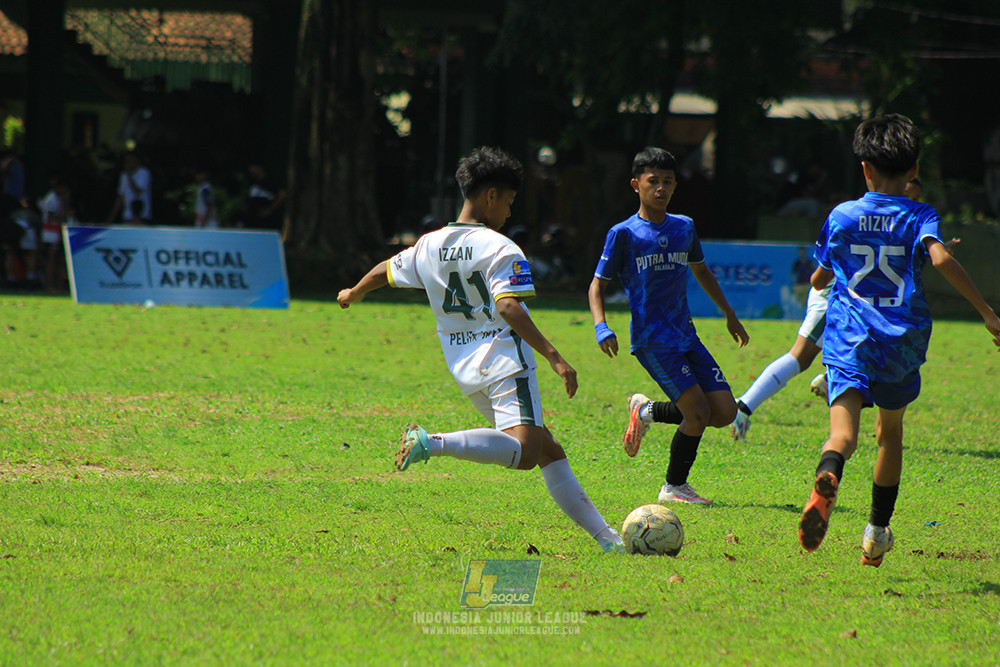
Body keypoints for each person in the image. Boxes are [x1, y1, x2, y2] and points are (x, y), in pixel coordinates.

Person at [337, 146, 625, 553]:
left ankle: (607, 539)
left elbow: (386, 270)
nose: (509, 213)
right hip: (505, 360)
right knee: (525, 454)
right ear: (490, 196)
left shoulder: (429, 244)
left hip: (465, 368)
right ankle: (431, 441)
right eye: (508, 202)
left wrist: (354, 292)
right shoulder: (501, 248)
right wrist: (555, 357)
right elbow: (508, 305)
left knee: (547, 450)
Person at [797, 114, 1000, 567]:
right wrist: (987, 313)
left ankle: (829, 473)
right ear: (913, 171)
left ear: (865, 168)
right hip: (902, 340)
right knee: (889, 434)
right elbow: (941, 257)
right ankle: (875, 534)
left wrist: (821, 274)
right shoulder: (920, 214)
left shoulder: (842, 216)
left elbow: (819, 276)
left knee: (842, 434)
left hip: (850, 339)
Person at [588, 147, 749, 506]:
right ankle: (674, 487)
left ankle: (645, 412)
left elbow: (702, 271)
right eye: (652, 181)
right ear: (636, 184)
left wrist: (729, 313)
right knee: (696, 413)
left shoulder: (684, 227)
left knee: (723, 413)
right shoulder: (624, 233)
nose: (660, 188)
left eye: (667, 182)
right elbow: (598, 284)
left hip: (686, 335)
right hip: (652, 340)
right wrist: (601, 325)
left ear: (676, 185)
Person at [107, 151, 152, 224]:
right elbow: (121, 196)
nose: (128, 164)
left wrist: (130, 176)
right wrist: (111, 218)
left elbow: (137, 190)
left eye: (131, 161)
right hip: (127, 216)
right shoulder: (124, 175)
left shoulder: (144, 173)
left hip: (141, 216)